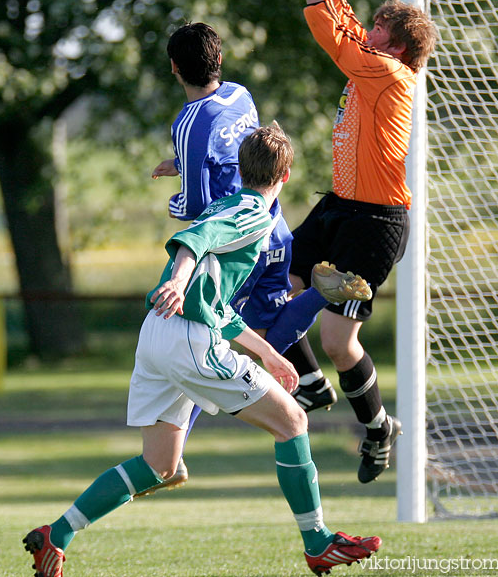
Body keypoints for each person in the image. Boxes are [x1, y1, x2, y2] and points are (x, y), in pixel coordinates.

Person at [23, 124, 381, 577]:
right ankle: (317, 542)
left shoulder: (230, 202)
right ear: (285, 174)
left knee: (159, 464)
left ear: (241, 167)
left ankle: (56, 534)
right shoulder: (253, 213)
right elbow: (196, 239)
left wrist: (267, 354)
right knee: (292, 421)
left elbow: (216, 305)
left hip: (158, 333)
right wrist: (176, 278)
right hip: (189, 338)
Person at [275, 0, 438, 483]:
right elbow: (340, 20)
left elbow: (332, 34)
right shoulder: (375, 64)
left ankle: (376, 428)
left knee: (339, 341)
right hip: (341, 206)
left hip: (377, 223)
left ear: (396, 45)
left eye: (377, 29)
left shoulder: (391, 74)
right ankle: (313, 389)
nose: (365, 32)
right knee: (272, 280)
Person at [152, 22, 369, 425]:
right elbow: (237, 151)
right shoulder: (239, 94)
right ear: (219, 59)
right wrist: (182, 163)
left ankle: (176, 443)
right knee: (267, 330)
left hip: (237, 241)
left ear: (174, 68)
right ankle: (320, 302)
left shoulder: (187, 123)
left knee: (207, 334)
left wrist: (176, 200)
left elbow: (197, 204)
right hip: (274, 227)